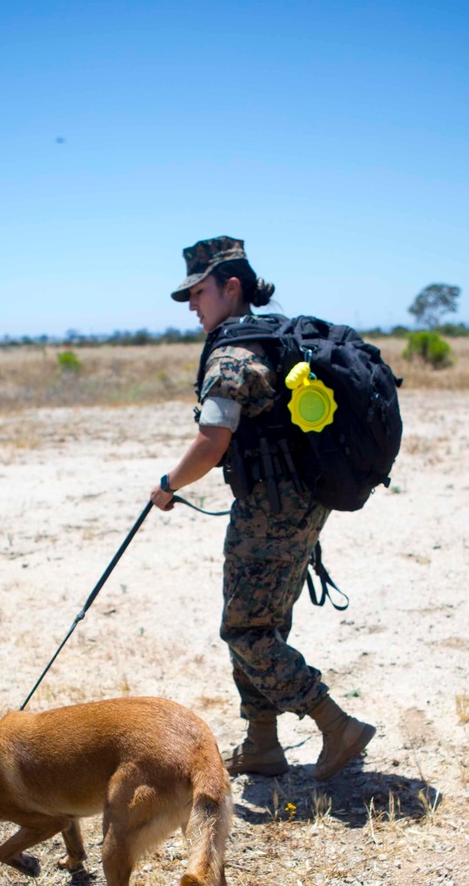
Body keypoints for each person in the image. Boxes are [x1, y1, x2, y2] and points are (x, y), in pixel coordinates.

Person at [149, 235, 375, 781]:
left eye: (198, 293)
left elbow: (211, 442)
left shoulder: (231, 355)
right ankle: (262, 744)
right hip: (299, 504)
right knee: (262, 623)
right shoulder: (272, 338)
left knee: (246, 632)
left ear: (231, 287)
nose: (192, 307)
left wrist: (168, 485)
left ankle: (335, 723)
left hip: (270, 510)